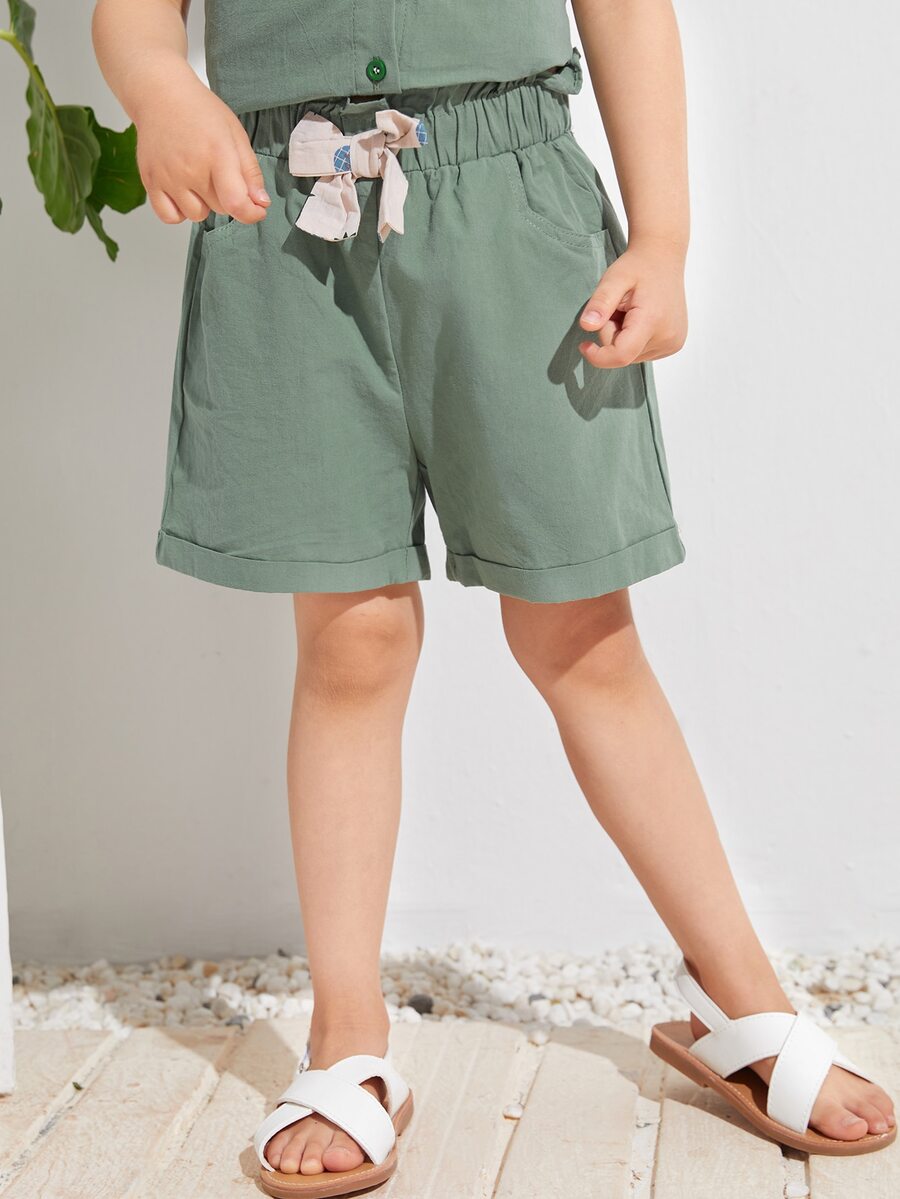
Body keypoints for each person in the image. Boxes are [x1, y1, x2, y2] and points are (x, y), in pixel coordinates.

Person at [92, 0, 895, 1194]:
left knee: (586, 635)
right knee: (352, 640)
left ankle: (742, 997)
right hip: (285, 232)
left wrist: (664, 236)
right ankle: (347, 1032)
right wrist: (162, 90)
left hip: (517, 212)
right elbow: (133, 14)